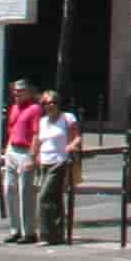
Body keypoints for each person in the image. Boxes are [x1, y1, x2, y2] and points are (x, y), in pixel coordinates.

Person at [0, 81, 42, 243]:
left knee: (26, 193)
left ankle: (29, 232)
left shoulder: (34, 109)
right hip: (12, 150)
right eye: (15, 91)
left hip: (25, 152)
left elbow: (36, 134)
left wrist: (32, 156)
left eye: (21, 92)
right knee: (9, 190)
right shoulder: (14, 108)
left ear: (29, 92)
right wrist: (7, 150)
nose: (17, 94)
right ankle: (15, 229)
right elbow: (11, 129)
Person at [35, 96, 79, 246]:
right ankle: (57, 235)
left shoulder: (67, 118)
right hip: (44, 162)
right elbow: (40, 141)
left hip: (59, 162)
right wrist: (35, 156)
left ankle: (46, 235)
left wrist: (71, 145)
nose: (50, 105)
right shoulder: (42, 121)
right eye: (46, 103)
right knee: (55, 199)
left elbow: (77, 137)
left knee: (44, 197)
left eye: (53, 102)